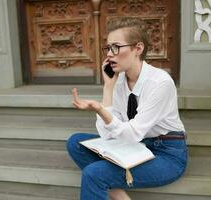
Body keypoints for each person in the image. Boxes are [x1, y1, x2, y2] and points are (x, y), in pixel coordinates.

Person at [66, 17, 187, 200]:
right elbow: (107, 135)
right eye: (108, 48)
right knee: (75, 142)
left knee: (94, 174)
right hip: (136, 145)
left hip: (165, 153)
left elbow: (132, 133)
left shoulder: (160, 82)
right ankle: (121, 196)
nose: (109, 54)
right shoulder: (118, 80)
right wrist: (108, 88)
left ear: (138, 48)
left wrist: (101, 109)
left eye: (116, 47)